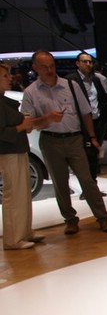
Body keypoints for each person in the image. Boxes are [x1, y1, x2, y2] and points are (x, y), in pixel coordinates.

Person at [22, 50, 107, 235]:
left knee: (87, 180)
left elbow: (86, 113)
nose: (50, 70)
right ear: (35, 68)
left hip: (74, 139)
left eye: (52, 66)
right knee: (60, 183)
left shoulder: (70, 86)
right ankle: (70, 219)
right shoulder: (31, 92)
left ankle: (102, 217)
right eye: (44, 67)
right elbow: (28, 125)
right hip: (50, 140)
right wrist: (47, 118)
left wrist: (92, 137)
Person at [0, 63, 53, 249]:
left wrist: (24, 126)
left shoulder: (4, 100)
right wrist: (21, 126)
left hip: (18, 150)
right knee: (14, 195)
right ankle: (13, 239)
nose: (10, 78)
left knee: (22, 194)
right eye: (5, 76)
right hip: (8, 152)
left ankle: (24, 232)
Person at [65, 52, 107, 193]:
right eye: (85, 61)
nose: (88, 64)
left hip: (96, 122)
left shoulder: (95, 80)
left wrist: (102, 116)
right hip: (80, 126)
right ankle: (87, 189)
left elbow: (102, 99)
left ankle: (93, 188)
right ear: (77, 63)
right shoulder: (70, 80)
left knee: (94, 156)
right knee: (82, 158)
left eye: (90, 62)